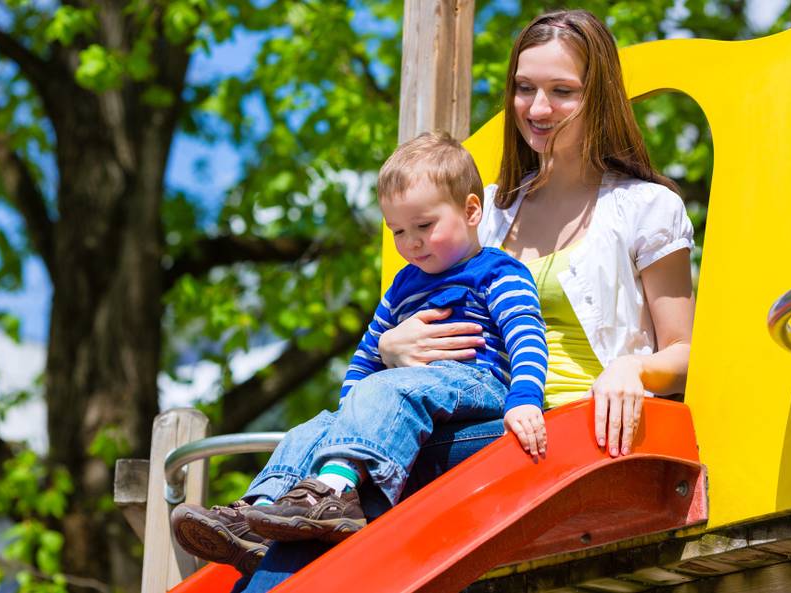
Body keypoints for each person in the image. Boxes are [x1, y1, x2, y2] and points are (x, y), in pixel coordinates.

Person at [237, 7, 695, 591]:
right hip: (472, 412)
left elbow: (686, 351)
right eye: (524, 88)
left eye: (563, 92)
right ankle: (258, 525)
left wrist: (633, 366)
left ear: (599, 96)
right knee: (331, 453)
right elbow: (420, 314)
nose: (537, 108)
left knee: (348, 464)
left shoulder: (644, 208)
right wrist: (392, 348)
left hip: (561, 425)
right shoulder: (491, 206)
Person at [170, 130, 549, 573]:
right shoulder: (404, 284)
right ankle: (258, 512)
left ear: (470, 211)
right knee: (314, 426)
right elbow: (369, 351)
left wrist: (525, 399)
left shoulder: (496, 271)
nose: (411, 243)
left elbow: (526, 333)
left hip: (475, 385)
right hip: (411, 389)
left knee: (387, 391)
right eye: (398, 232)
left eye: (424, 226)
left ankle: (333, 495)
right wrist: (347, 411)